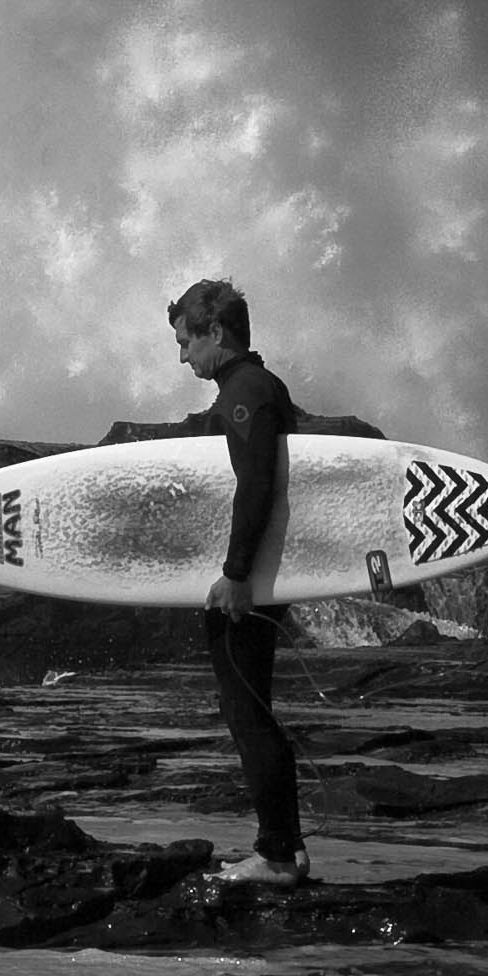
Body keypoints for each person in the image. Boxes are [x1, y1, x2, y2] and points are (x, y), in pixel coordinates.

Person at [168, 277, 309, 888]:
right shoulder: (251, 387)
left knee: (247, 712)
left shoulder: (248, 390)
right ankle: (287, 848)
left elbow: (256, 484)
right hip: (258, 573)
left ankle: (277, 855)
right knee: (251, 708)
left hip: (249, 581)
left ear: (215, 332)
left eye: (185, 341)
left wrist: (235, 575)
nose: (182, 356)